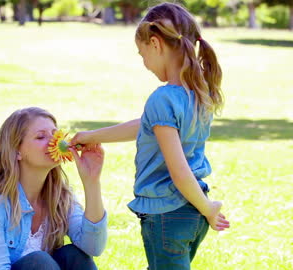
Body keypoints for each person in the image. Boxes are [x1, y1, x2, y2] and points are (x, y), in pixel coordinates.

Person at [70, 3, 230, 270]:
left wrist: (208, 208)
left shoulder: (163, 97)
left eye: (142, 54)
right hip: (189, 214)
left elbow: (178, 171)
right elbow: (145, 126)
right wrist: (91, 136)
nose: (144, 63)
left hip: (168, 214)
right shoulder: (200, 94)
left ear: (155, 44)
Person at [0, 107, 107, 270]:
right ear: (17, 151)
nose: (54, 142)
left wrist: (92, 181)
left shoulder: (60, 196)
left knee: (75, 256)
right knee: (39, 263)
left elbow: (93, 247)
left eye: (55, 135)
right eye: (41, 137)